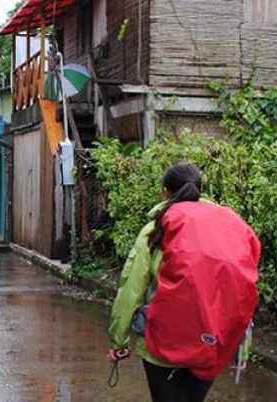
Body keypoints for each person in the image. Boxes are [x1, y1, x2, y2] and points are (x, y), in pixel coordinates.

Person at [107, 162, 259, 402]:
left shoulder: (155, 230)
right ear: (200, 190)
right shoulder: (227, 229)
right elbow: (241, 291)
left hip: (162, 344)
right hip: (210, 342)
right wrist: (240, 347)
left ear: (164, 192)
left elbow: (131, 289)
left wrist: (119, 340)